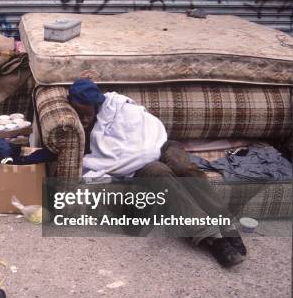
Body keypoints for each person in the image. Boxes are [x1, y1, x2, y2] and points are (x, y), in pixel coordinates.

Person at [68, 79, 247, 268]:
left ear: (96, 105)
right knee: (159, 172)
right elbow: (105, 159)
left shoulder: (117, 107)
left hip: (159, 144)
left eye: (86, 113)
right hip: (136, 164)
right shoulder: (78, 130)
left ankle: (227, 224)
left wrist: (149, 149)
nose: (83, 119)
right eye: (78, 114)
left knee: (183, 167)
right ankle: (211, 238)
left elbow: (144, 126)